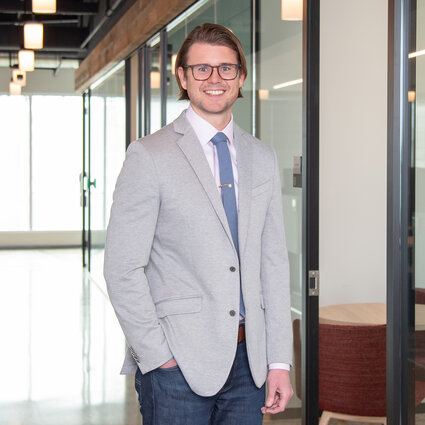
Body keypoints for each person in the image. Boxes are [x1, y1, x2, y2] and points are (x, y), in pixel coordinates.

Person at [104, 22, 293, 425]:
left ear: (241, 77)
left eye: (226, 68)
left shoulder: (262, 157)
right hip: (177, 363)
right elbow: (122, 267)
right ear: (184, 77)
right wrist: (157, 356)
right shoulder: (149, 155)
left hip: (250, 363)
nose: (214, 78)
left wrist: (279, 360)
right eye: (201, 69)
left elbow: (272, 264)